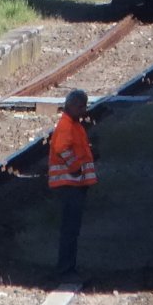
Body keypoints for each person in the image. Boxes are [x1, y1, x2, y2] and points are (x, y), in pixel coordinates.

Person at [48, 89, 98, 279]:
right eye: (80, 106)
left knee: (72, 228)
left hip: (75, 184)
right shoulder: (67, 126)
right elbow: (62, 148)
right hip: (69, 184)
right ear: (71, 105)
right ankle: (65, 268)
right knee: (70, 228)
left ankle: (68, 267)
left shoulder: (74, 125)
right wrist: (75, 166)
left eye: (84, 106)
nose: (83, 110)